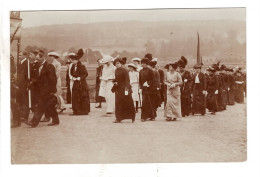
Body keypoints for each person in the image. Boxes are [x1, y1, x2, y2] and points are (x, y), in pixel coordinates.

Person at [26, 50, 59, 127]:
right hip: (42, 91)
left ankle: (34, 122)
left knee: (40, 106)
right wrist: (31, 84)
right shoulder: (39, 66)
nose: (36, 60)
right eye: (36, 59)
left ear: (42, 58)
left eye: (38, 59)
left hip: (48, 91)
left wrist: (52, 91)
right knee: (50, 106)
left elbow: (53, 80)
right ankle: (56, 120)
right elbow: (39, 79)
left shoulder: (49, 66)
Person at [112, 58, 135, 123]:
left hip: (125, 88)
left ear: (121, 63)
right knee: (118, 103)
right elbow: (117, 79)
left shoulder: (124, 70)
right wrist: (114, 81)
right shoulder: (116, 70)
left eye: (118, 63)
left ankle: (132, 117)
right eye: (115, 63)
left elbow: (127, 80)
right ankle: (118, 118)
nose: (116, 65)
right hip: (118, 89)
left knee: (128, 102)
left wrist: (127, 89)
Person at [70, 49, 90, 115]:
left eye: (73, 60)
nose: (72, 61)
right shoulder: (73, 66)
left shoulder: (82, 66)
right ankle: (76, 110)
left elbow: (86, 74)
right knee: (75, 97)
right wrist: (73, 77)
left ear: (77, 60)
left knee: (82, 97)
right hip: (75, 83)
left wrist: (80, 78)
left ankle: (83, 111)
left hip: (82, 84)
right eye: (72, 60)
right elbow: (71, 73)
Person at [139, 57, 155, 122]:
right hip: (144, 88)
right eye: (141, 63)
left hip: (150, 89)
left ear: (146, 64)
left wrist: (148, 83)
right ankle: (144, 116)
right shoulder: (140, 71)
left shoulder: (150, 71)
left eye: (143, 63)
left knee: (150, 102)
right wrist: (140, 87)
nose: (142, 65)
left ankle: (152, 116)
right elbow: (140, 80)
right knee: (144, 102)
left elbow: (153, 79)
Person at [16, 51, 31, 123]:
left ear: (25, 56)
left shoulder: (27, 63)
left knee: (25, 101)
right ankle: (22, 115)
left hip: (24, 85)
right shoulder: (20, 63)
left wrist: (25, 84)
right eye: (19, 55)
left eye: (20, 55)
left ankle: (25, 117)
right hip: (20, 85)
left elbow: (25, 75)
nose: (19, 56)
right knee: (21, 100)